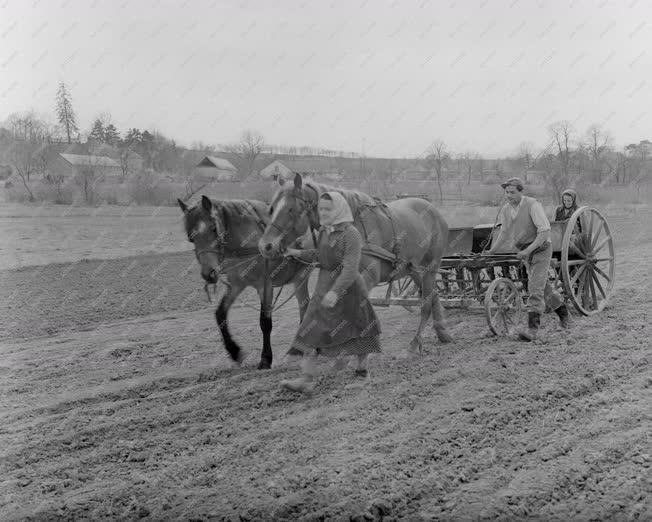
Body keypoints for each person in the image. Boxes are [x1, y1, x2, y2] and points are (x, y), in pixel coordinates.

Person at [280, 191, 382, 393]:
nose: (324, 213)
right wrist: (296, 253)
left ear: (339, 209)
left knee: (358, 333)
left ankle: (363, 375)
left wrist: (336, 292)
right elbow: (321, 256)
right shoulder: (325, 232)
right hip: (323, 289)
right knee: (309, 328)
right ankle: (306, 379)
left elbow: (350, 268)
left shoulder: (350, 233)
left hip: (349, 291)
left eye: (328, 209)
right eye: (321, 209)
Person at [487, 177, 570, 340]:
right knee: (543, 287)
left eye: (512, 192)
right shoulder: (506, 209)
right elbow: (503, 233)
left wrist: (528, 250)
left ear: (520, 191)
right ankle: (564, 314)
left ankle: (532, 330)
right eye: (506, 192)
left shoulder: (533, 205)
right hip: (527, 251)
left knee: (534, 288)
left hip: (541, 249)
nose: (508, 195)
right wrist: (491, 251)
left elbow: (544, 232)